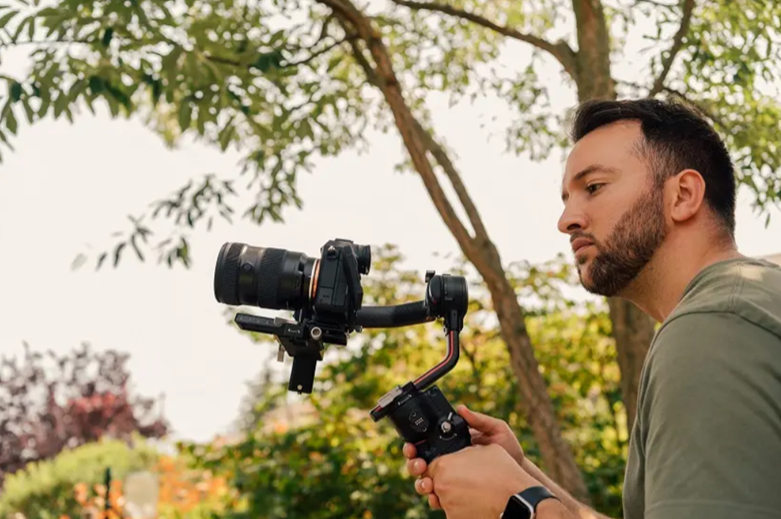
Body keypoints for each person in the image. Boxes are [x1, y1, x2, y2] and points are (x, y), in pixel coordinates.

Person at [402, 98, 781, 519]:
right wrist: (524, 477)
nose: (566, 220)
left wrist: (514, 506)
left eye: (594, 187)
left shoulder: (711, 329)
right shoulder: (741, 310)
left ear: (683, 195)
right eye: (567, 198)